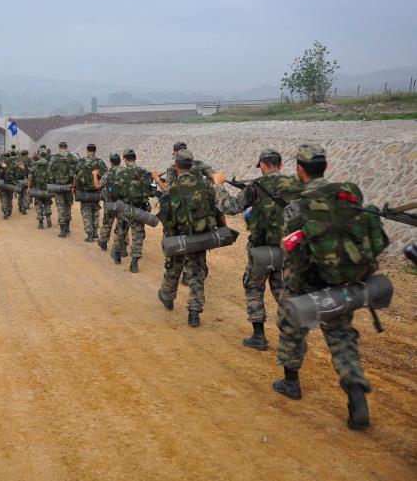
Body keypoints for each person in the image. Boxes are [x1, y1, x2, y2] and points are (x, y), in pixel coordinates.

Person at [272, 144, 387, 431]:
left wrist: (296, 284)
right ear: (325, 166)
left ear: (300, 170)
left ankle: (290, 382)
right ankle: (356, 395)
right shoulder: (347, 197)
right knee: (341, 339)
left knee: (290, 330)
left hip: (305, 285)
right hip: (341, 281)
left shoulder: (297, 207)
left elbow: (291, 251)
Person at [213, 149, 303, 349]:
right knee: (283, 291)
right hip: (287, 250)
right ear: (280, 165)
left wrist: (218, 186)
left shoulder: (256, 185)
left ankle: (259, 336)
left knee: (253, 287)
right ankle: (293, 336)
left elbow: (231, 206)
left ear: (262, 165)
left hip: (261, 251)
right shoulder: (296, 185)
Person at [156, 149, 219, 327]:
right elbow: (215, 207)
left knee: (174, 268)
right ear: (192, 165)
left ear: (176, 165)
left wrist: (169, 238)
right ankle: (194, 313)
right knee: (197, 273)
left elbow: (166, 218)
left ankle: (168, 297)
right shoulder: (205, 185)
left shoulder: (172, 188)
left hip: (179, 238)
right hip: (199, 236)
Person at [110, 149, 156, 273]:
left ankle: (117, 256)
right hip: (140, 209)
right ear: (135, 158)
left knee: (121, 231)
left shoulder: (120, 173)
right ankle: (134, 262)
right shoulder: (145, 172)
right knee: (138, 235)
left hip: (125, 208)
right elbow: (152, 192)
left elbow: (114, 193)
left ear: (125, 159)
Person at [76, 143, 106, 242]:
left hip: (85, 192)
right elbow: (105, 175)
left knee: (86, 213)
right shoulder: (100, 162)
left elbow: (77, 175)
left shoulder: (82, 161)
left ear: (87, 150)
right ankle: (95, 232)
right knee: (95, 211)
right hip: (97, 192)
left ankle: (89, 235)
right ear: (95, 151)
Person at [48, 141, 78, 238]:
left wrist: (53, 181)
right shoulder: (73, 158)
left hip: (58, 186)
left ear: (59, 147)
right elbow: (78, 171)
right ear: (67, 147)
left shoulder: (54, 158)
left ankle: (62, 231)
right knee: (68, 206)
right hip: (69, 187)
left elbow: (49, 171)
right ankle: (68, 227)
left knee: (61, 208)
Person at [97, 153, 122, 252]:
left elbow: (99, 186)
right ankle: (123, 244)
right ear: (120, 161)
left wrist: (96, 175)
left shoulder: (107, 173)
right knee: (122, 224)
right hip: (122, 204)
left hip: (110, 203)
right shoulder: (125, 172)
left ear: (110, 162)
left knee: (107, 222)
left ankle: (103, 242)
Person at [28, 148, 53, 229]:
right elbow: (53, 177)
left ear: (39, 155)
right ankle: (48, 217)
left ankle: (41, 223)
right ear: (46, 156)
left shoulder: (35, 165)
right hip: (47, 189)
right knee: (47, 203)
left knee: (39, 205)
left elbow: (30, 177)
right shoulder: (49, 165)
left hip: (37, 189)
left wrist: (29, 187)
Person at [0, 152, 15, 220]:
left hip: (3, 183)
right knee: (10, 198)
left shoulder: (1, 163)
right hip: (11, 184)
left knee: (3, 198)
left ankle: (5, 212)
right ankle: (9, 210)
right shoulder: (13, 163)